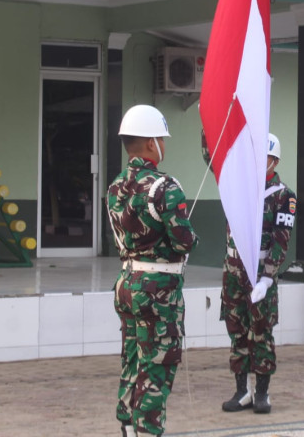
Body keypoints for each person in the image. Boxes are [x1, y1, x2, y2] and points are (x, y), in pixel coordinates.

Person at [109, 104, 199, 437]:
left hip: (127, 282)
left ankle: (128, 427)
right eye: (162, 138)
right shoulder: (164, 187)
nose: (164, 143)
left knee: (132, 359)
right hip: (157, 289)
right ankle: (147, 429)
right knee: (158, 364)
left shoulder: (115, 186)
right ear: (150, 144)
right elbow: (183, 241)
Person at [211, 133, 296, 414]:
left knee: (261, 334)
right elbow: (213, 158)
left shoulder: (283, 196)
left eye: (264, 158)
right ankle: (241, 391)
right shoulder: (238, 186)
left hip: (260, 274)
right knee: (237, 333)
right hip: (234, 272)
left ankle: (262, 393)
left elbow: (281, 239)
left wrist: (268, 277)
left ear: (274, 160)